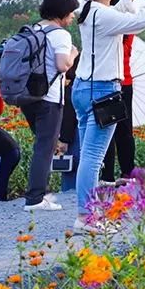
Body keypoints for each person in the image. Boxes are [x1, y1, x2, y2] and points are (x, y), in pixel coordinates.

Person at [73, 0, 145, 234]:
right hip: (101, 90)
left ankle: (88, 214)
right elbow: (142, 20)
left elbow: (118, 11)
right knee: (92, 157)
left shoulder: (89, 9)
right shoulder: (102, 15)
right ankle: (86, 218)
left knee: (89, 156)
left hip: (82, 88)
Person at [20, 0, 80, 213]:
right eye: (71, 12)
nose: (72, 17)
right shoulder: (61, 35)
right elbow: (63, 65)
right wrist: (74, 53)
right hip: (49, 99)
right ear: (62, 12)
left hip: (28, 97)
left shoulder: (34, 28)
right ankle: (35, 198)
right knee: (44, 148)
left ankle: (37, 194)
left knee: (42, 146)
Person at [101, 33, 136, 184]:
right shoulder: (128, 27)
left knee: (106, 128)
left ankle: (107, 175)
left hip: (106, 80)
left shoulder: (107, 25)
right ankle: (128, 173)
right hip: (124, 81)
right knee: (125, 130)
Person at [57, 57, 80, 193]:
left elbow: (68, 118)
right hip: (81, 132)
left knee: (71, 166)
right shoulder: (87, 90)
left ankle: (69, 192)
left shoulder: (70, 90)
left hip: (72, 135)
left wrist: (64, 139)